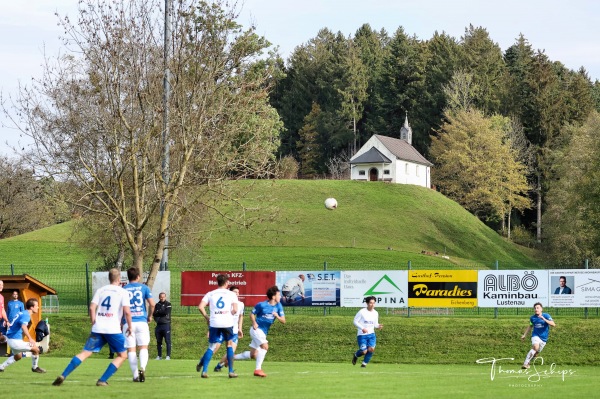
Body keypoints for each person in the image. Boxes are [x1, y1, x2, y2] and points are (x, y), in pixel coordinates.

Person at [52, 268, 133, 387]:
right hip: (112, 329)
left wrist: (93, 321)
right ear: (119, 279)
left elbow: (91, 308)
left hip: (98, 327)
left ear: (109, 278)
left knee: (85, 353)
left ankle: (63, 375)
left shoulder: (101, 290)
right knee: (122, 355)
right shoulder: (123, 292)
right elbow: (127, 312)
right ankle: (102, 380)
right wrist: (130, 326)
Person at [233, 285, 285, 378]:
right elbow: (252, 314)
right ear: (273, 297)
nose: (280, 296)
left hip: (263, 332)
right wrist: (254, 322)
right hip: (256, 330)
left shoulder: (279, 306)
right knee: (265, 346)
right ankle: (258, 369)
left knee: (253, 354)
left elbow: (283, 321)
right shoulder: (261, 305)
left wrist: (277, 316)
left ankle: (232, 357)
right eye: (278, 295)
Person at [196, 274, 238, 378]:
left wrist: (207, 317)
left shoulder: (210, 294)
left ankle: (204, 371)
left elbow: (200, 307)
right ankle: (231, 371)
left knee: (212, 346)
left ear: (217, 282)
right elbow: (235, 310)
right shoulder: (231, 294)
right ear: (227, 283)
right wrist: (229, 314)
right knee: (229, 345)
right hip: (227, 322)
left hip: (214, 322)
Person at [123, 267, 155, 382]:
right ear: (138, 277)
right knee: (143, 347)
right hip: (141, 321)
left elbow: (121, 308)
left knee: (131, 350)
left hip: (128, 322)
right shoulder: (144, 288)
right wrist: (150, 316)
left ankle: (136, 375)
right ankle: (143, 368)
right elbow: (152, 304)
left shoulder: (124, 289)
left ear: (128, 277)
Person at [0, 298, 45, 373]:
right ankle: (35, 367)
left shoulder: (22, 313)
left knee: (18, 356)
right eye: (36, 305)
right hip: (14, 340)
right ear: (31, 307)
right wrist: (30, 338)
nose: (38, 307)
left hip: (12, 339)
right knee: (36, 349)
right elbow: (23, 326)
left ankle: (1, 367)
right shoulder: (26, 315)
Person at [214, 286, 244, 372]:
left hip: (234, 332)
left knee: (230, 352)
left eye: (238, 292)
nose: (237, 294)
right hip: (223, 329)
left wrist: (240, 328)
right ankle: (203, 362)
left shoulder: (241, 304)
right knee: (214, 349)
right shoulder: (226, 304)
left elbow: (241, 316)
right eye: (235, 292)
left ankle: (219, 366)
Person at [521, 302, 555, 369]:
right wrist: (524, 335)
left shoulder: (546, 316)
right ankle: (525, 363)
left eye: (538, 308)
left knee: (536, 353)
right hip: (535, 335)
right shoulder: (532, 318)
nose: (536, 309)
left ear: (541, 309)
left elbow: (553, 324)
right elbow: (530, 326)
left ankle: (529, 361)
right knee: (535, 347)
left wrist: (544, 319)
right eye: (535, 308)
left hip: (544, 338)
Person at [351, 296, 383, 368]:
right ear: (367, 303)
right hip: (362, 335)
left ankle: (364, 364)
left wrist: (378, 326)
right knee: (364, 351)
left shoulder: (375, 313)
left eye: (374, 303)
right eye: (371, 303)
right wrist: (362, 328)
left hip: (371, 335)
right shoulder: (362, 312)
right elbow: (355, 321)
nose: (372, 305)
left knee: (371, 349)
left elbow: (375, 324)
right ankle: (356, 355)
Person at [153, 292, 172, 360]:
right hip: (159, 325)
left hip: (166, 324)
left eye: (163, 297)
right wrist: (160, 312)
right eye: (161, 297)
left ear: (165, 297)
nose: (162, 298)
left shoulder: (168, 304)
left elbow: (166, 312)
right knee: (158, 341)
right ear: (159, 297)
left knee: (167, 340)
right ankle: (159, 356)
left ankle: (168, 356)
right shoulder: (157, 305)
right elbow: (154, 314)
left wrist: (159, 312)